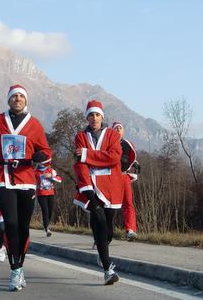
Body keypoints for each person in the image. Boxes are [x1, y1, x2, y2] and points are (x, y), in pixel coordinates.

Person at [0, 84, 52, 291]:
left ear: (26, 100)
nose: (17, 99)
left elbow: (46, 151)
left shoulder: (34, 124)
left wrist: (40, 156)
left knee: (23, 227)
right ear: (8, 100)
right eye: (14, 96)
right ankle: (15, 269)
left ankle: (20, 266)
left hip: (27, 179)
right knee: (10, 223)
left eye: (21, 96)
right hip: (3, 178)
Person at [73, 99, 122, 285]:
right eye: (91, 115)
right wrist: (87, 191)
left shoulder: (112, 135)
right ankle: (108, 269)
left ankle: (103, 250)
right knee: (99, 223)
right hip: (91, 187)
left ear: (102, 117)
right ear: (87, 117)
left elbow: (114, 157)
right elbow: (80, 164)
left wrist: (87, 154)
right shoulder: (80, 136)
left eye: (97, 115)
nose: (94, 118)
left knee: (108, 229)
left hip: (111, 187)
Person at [112, 121, 141, 241]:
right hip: (112, 177)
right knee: (110, 205)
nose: (118, 129)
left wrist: (135, 163)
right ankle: (105, 231)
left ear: (123, 131)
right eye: (116, 128)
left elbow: (130, 158)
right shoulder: (108, 144)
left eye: (120, 128)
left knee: (128, 203)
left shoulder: (128, 144)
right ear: (112, 131)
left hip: (124, 177)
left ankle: (130, 230)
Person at [35, 166, 62, 237]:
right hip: (41, 194)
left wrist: (51, 176)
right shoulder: (35, 171)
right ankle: (47, 228)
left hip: (50, 193)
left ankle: (46, 224)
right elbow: (31, 182)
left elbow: (60, 179)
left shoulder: (51, 170)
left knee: (50, 210)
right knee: (45, 210)